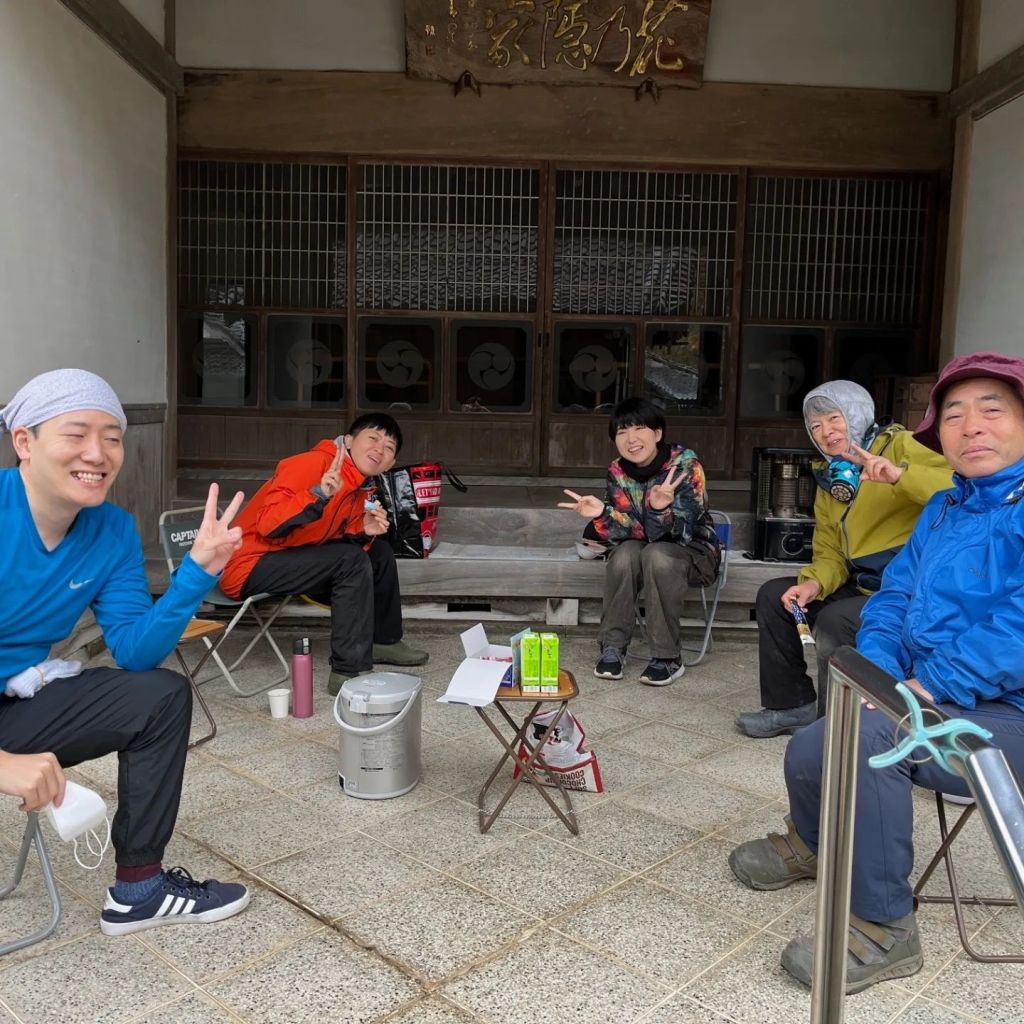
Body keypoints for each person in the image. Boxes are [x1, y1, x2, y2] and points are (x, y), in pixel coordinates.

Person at [728, 350, 1024, 993]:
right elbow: (893, 597)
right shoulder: (946, 510)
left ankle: (887, 926)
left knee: (867, 739)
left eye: (992, 409)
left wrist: (932, 684)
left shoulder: (930, 476)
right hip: (931, 692)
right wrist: (881, 677)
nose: (972, 426)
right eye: (954, 415)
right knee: (819, 737)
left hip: (1006, 714)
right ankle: (816, 842)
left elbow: (1016, 631)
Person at [0, 368, 251, 936]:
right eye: (76, 434)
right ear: (24, 442)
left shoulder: (112, 531)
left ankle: (138, 891)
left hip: (17, 701)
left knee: (161, 696)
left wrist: (196, 573)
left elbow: (136, 652)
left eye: (112, 437)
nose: (97, 453)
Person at [736, 381, 951, 738]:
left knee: (836, 621)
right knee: (776, 597)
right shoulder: (832, 475)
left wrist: (900, 476)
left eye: (834, 419)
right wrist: (814, 582)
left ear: (856, 415)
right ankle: (792, 706)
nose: (826, 432)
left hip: (908, 587)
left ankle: (834, 726)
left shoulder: (902, 445)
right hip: (860, 582)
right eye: (816, 426)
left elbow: (958, 485)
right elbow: (830, 550)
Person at [220, 414, 427, 697]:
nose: (380, 449)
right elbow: (269, 525)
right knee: (350, 561)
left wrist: (362, 529)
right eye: (373, 438)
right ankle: (348, 670)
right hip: (247, 563)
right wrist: (318, 494)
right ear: (349, 441)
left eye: (389, 447)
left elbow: (328, 533)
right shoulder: (312, 464)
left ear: (391, 463)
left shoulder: (363, 485)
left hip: (293, 556)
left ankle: (384, 641)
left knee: (378, 552)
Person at [559, 397, 720, 686]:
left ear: (657, 433)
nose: (631, 439)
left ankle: (667, 657)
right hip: (644, 550)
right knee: (625, 554)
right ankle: (612, 647)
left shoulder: (685, 466)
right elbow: (624, 533)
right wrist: (602, 515)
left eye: (639, 428)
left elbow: (683, 532)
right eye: (622, 431)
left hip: (694, 554)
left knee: (656, 554)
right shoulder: (617, 472)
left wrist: (659, 510)